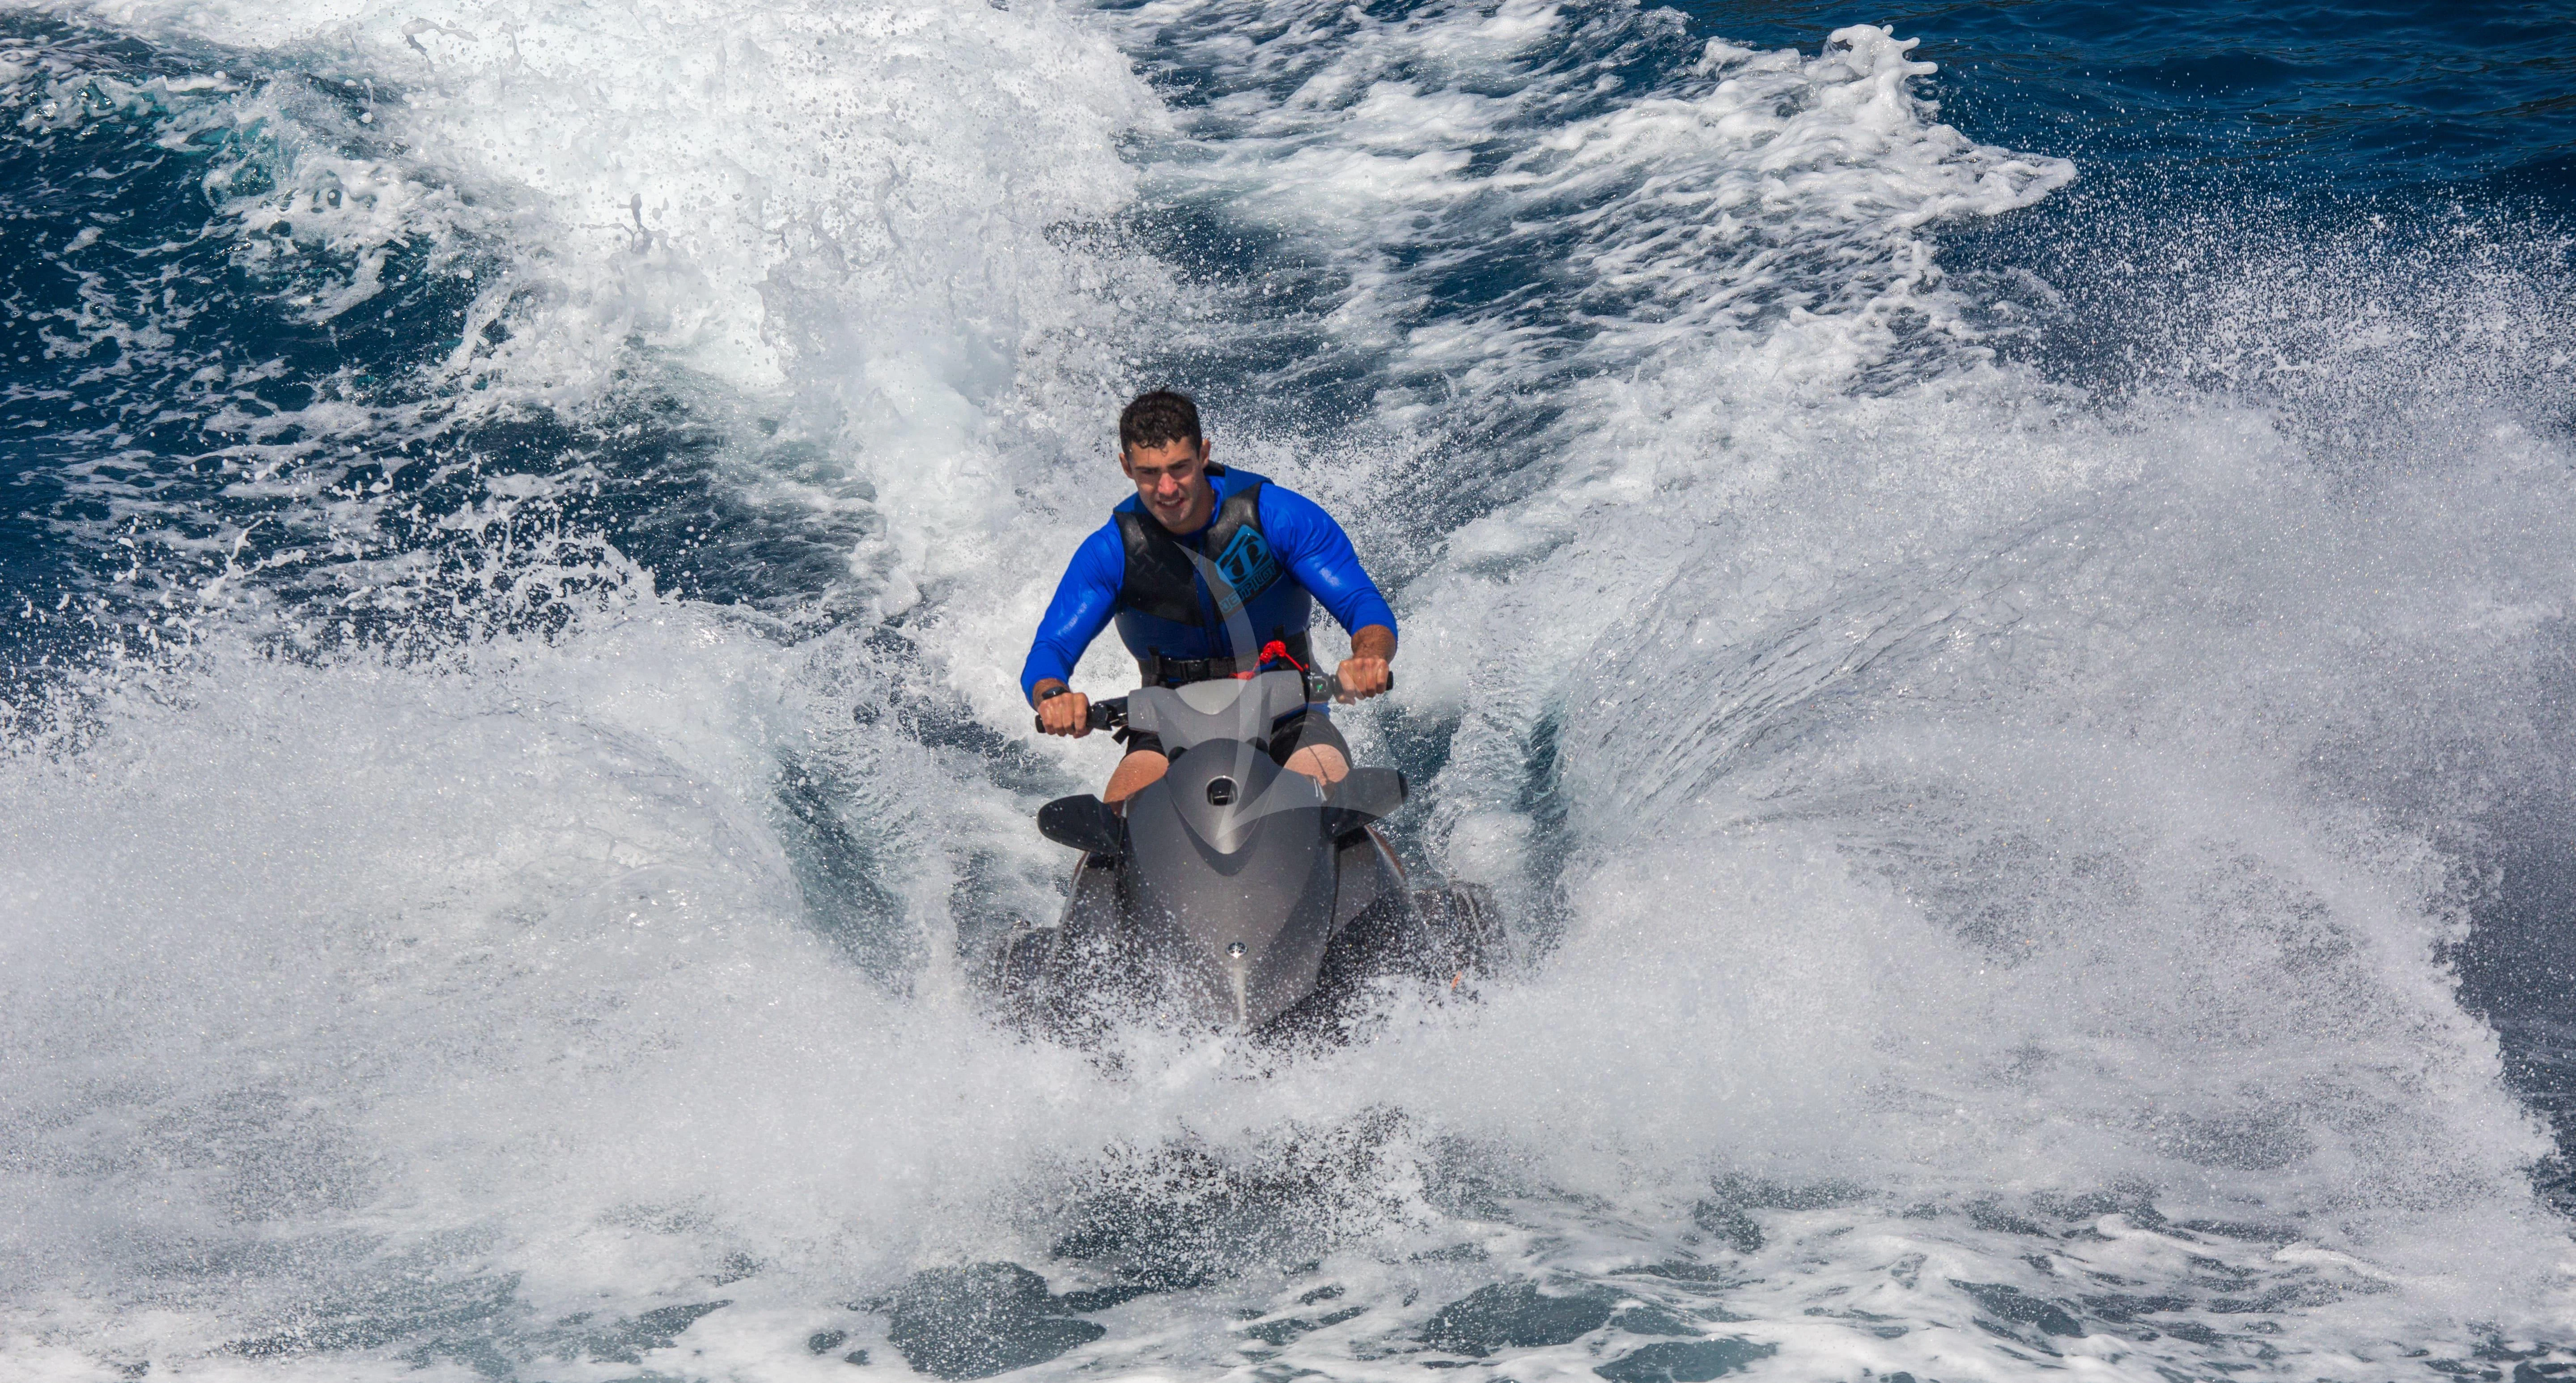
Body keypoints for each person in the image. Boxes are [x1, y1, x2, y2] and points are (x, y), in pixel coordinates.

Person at [1022, 391, 1397, 806]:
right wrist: (1053, 696)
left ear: (1203, 454)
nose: (1166, 489)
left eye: (1179, 468)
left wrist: (1368, 655)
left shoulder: (1278, 518)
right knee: (1117, 832)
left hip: (1289, 713)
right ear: (1126, 467)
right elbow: (1051, 649)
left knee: (1334, 807)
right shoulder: (1111, 552)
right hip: (1166, 722)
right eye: (1148, 473)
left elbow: (1362, 604)